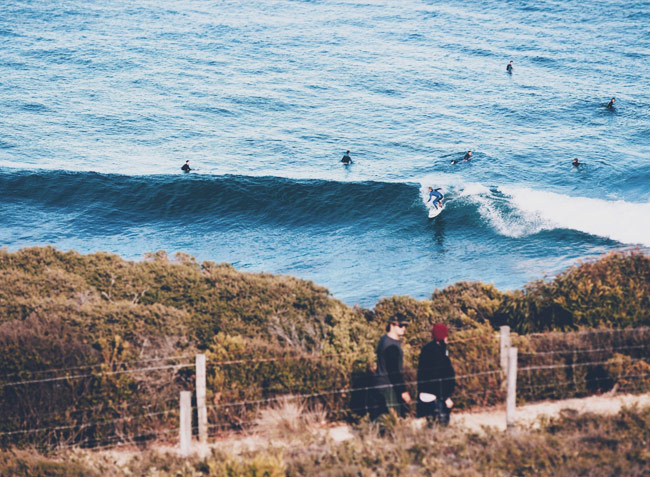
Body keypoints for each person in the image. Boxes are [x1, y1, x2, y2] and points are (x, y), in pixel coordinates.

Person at [417, 323, 456, 426]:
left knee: (431, 426)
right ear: (442, 337)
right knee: (442, 427)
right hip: (438, 397)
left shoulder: (426, 350)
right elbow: (439, 378)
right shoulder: (439, 354)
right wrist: (446, 397)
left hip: (425, 394)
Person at [373, 314, 411, 418]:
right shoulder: (391, 346)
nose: (404, 328)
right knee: (393, 419)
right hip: (389, 387)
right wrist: (403, 391)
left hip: (381, 384)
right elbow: (394, 371)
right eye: (401, 326)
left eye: (405, 326)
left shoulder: (384, 339)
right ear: (392, 325)